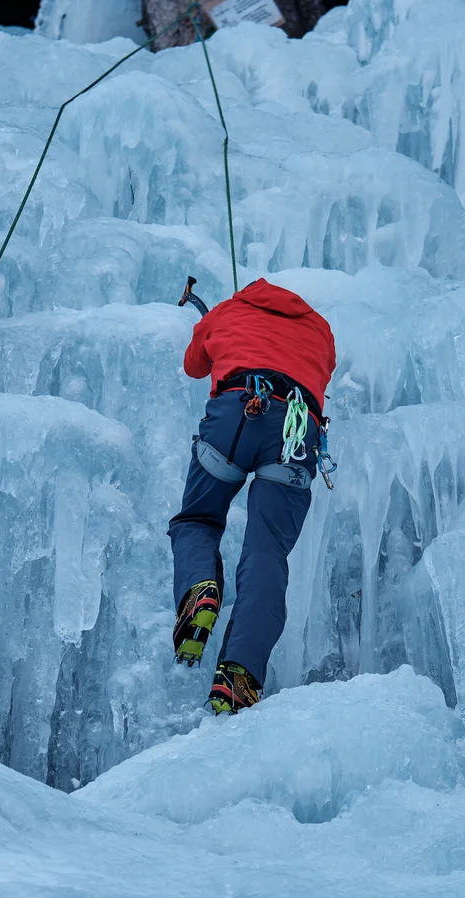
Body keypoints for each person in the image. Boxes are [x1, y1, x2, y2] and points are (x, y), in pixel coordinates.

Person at [169, 278, 336, 714]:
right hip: (297, 429)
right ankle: (239, 673)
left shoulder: (227, 309)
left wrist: (214, 328)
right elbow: (319, 373)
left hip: (237, 410)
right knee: (267, 549)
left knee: (198, 520)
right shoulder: (320, 329)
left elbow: (194, 366)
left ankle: (198, 590)